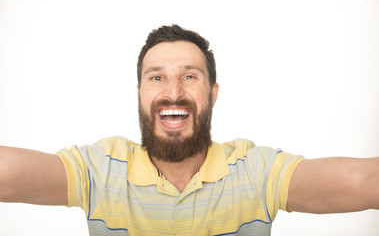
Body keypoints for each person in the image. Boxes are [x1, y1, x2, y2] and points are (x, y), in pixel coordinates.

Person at [0, 24, 378, 236]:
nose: (173, 92)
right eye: (157, 77)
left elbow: (365, 180)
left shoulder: (256, 171)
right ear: (140, 92)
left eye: (190, 76)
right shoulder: (99, 169)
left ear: (212, 93)